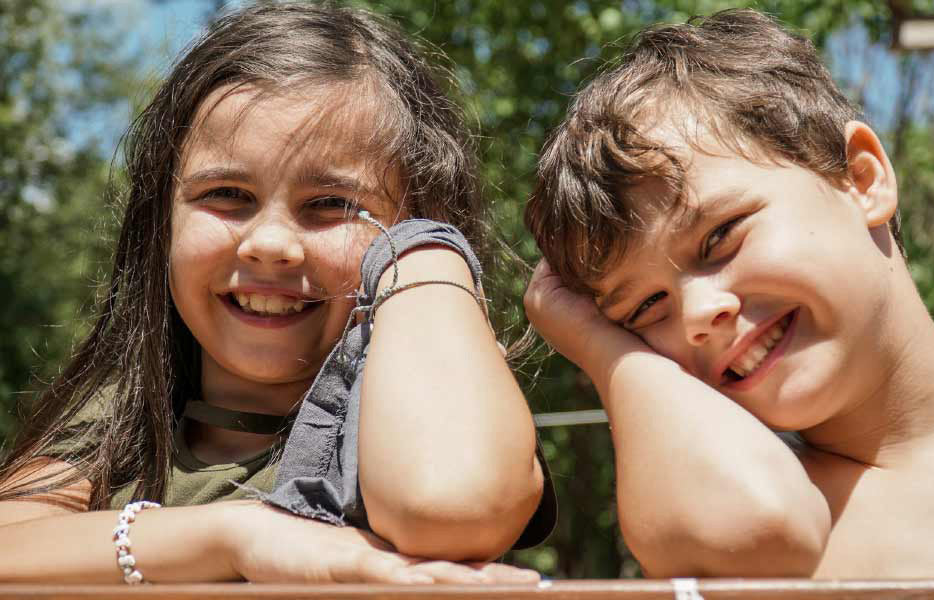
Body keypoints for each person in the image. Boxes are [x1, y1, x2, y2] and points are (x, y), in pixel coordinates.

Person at [0, 2, 553, 584]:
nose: (269, 244)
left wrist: (425, 253)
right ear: (160, 221)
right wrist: (237, 536)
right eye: (226, 194)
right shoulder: (129, 412)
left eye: (332, 204)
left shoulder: (432, 400)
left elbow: (453, 508)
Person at [524, 8, 934, 578]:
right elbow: (749, 527)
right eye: (646, 308)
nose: (700, 313)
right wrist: (600, 346)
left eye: (720, 237)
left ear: (861, 179)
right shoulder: (752, 516)